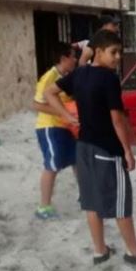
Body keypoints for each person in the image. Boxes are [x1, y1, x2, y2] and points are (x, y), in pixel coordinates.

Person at [43, 30, 136, 265]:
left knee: (92, 201)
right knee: (120, 204)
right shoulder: (109, 79)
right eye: (113, 52)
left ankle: (100, 251)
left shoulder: (79, 74)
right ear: (98, 52)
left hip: (83, 148)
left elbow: (49, 92)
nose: (117, 58)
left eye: (119, 52)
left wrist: (65, 115)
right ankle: (134, 253)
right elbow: (117, 120)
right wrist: (127, 151)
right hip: (107, 150)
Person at [33, 42, 78, 219]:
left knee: (77, 160)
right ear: (63, 58)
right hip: (49, 127)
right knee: (52, 165)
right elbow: (36, 104)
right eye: (72, 56)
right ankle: (43, 207)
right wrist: (65, 113)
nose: (75, 59)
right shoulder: (49, 77)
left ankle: (85, 197)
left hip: (66, 126)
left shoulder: (66, 76)